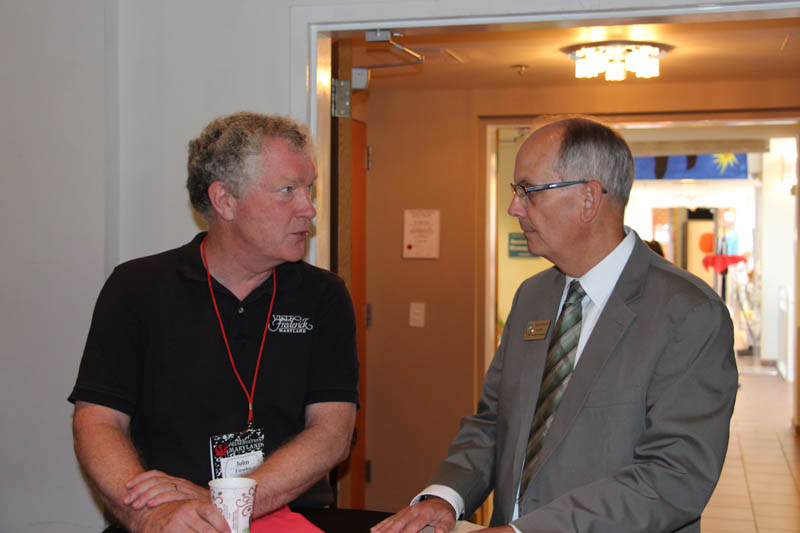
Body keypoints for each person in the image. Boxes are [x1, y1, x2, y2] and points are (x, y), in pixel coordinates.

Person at [373, 117, 737, 533]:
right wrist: (446, 495)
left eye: (528, 191)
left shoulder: (688, 314)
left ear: (588, 199)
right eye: (516, 192)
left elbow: (674, 478)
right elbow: (495, 422)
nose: (514, 207)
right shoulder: (533, 297)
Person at [69, 112, 359, 533]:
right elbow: (97, 422)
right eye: (288, 191)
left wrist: (224, 501)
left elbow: (333, 431)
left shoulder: (324, 296)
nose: (309, 209)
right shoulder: (137, 287)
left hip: (289, 521)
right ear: (224, 201)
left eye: (308, 188)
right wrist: (148, 514)